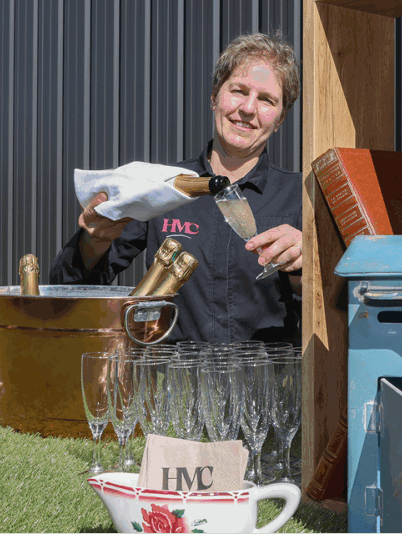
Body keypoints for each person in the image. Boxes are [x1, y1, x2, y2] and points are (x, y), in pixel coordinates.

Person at [49, 32, 303, 344]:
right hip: (172, 373)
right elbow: (69, 288)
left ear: (280, 118)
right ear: (214, 97)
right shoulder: (162, 186)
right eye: (239, 91)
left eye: (266, 100)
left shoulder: (300, 196)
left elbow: (335, 304)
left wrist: (305, 269)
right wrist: (94, 241)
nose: (249, 108)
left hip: (266, 374)